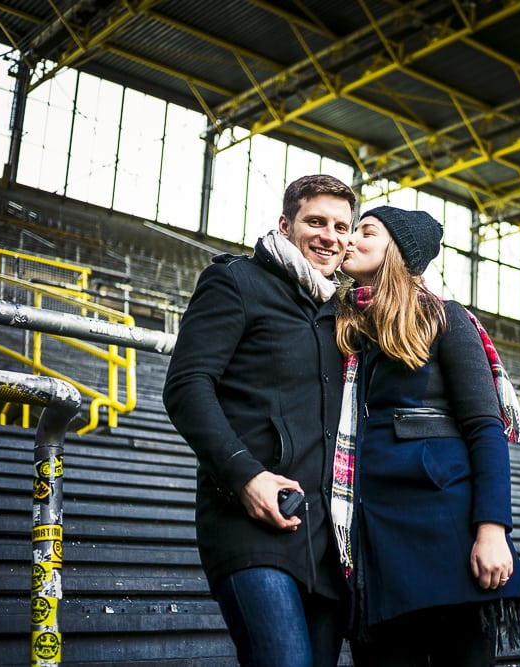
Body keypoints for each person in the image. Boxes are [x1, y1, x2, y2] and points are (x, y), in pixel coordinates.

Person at [162, 174, 357, 667]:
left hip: (328, 540)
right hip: (249, 521)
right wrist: (245, 476)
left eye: (341, 226)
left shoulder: (345, 313)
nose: (328, 235)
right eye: (315, 221)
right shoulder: (237, 281)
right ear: (286, 224)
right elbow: (186, 386)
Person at [331, 206, 520, 666]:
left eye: (365, 231)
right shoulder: (343, 328)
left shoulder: (447, 319)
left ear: (398, 251)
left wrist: (492, 530)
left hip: (445, 530)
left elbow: (485, 428)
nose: (349, 239)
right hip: (376, 540)